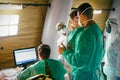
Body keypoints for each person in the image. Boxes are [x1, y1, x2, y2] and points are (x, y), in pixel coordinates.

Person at [58, 2, 105, 80]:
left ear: (82, 15)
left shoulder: (84, 35)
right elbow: (101, 53)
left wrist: (64, 51)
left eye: (78, 16)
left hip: (83, 76)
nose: (78, 19)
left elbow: (78, 61)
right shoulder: (98, 30)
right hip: (94, 75)